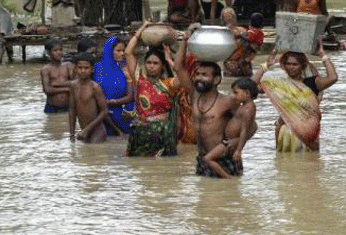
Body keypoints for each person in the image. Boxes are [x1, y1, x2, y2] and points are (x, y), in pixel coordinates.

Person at [175, 25, 241, 177]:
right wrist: (185, 40)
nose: (199, 78)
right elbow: (178, 67)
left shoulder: (227, 102)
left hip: (222, 161)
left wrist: (233, 145)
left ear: (217, 79)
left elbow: (251, 126)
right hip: (202, 160)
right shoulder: (194, 95)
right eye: (197, 74)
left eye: (205, 75)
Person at [253, 41, 337, 152]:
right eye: (288, 64)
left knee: (309, 163)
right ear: (283, 65)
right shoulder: (279, 84)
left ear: (302, 66)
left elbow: (333, 78)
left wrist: (322, 55)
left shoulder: (312, 83)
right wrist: (266, 65)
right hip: (285, 129)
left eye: (295, 64)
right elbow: (252, 86)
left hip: (309, 132)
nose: (291, 67)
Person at [124, 22, 181, 156]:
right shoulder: (140, 80)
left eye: (155, 63)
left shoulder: (169, 84)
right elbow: (128, 52)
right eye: (149, 63)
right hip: (140, 133)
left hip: (162, 134)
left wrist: (170, 59)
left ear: (162, 66)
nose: (151, 66)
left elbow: (182, 74)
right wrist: (142, 29)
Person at [202, 77, 258, 179]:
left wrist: (239, 150)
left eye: (236, 92)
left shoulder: (248, 109)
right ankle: (239, 177)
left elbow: (244, 130)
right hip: (231, 141)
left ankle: (228, 179)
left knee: (208, 159)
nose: (233, 95)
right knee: (237, 165)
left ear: (247, 93)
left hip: (229, 142)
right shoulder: (244, 105)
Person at [69, 53, 122, 143]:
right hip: (84, 132)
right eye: (80, 67)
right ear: (75, 69)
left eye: (86, 68)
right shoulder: (73, 86)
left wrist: (87, 130)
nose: (82, 71)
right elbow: (72, 110)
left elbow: (104, 111)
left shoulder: (95, 87)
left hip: (97, 132)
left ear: (92, 69)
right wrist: (71, 134)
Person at [93, 37, 134, 136]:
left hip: (123, 115)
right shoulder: (97, 69)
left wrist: (128, 77)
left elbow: (131, 96)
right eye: (118, 50)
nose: (122, 53)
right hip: (104, 115)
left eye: (123, 50)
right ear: (110, 51)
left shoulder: (126, 68)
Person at [223, 10, 265, 77]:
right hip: (238, 63)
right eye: (226, 16)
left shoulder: (247, 32)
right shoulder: (257, 33)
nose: (228, 17)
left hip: (241, 63)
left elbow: (247, 38)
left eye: (230, 15)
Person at [40, 38, 74, 114]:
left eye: (60, 50)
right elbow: (47, 90)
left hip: (67, 106)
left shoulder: (68, 65)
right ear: (48, 52)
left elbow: (75, 83)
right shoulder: (46, 69)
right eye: (55, 50)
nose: (59, 52)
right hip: (52, 107)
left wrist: (56, 84)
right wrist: (67, 89)